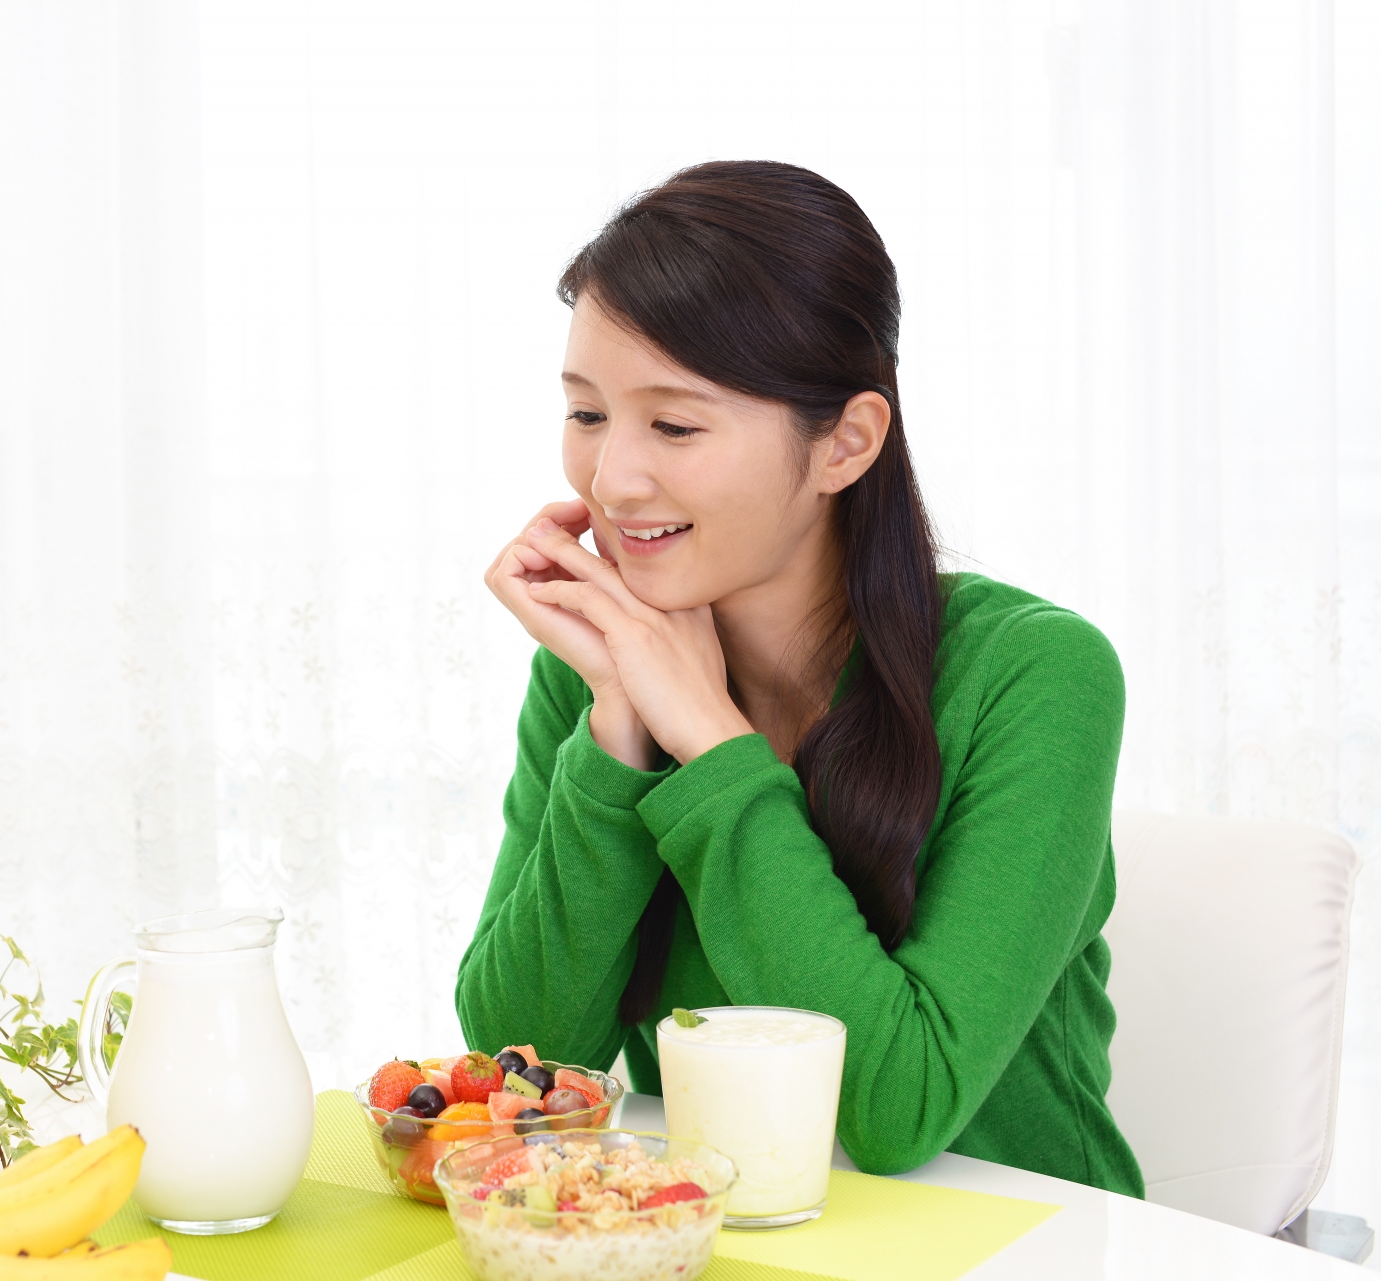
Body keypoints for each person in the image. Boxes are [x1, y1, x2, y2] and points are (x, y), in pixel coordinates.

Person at [457, 160, 1144, 1195]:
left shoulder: (1038, 676)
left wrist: (709, 743)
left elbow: (893, 1109)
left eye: (675, 425)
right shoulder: (602, 673)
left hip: (1015, 1251)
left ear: (847, 442)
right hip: (717, 1243)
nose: (611, 480)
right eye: (588, 414)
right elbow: (519, 1066)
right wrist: (618, 734)